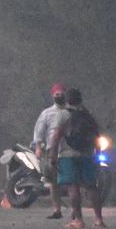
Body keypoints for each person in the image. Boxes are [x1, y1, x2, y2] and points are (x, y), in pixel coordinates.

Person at [48, 87, 106, 229]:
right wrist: (97, 155)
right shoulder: (88, 115)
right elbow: (97, 137)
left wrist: (52, 156)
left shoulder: (62, 115)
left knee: (73, 187)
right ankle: (99, 219)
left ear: (66, 100)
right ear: (80, 99)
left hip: (68, 156)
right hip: (87, 155)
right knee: (92, 187)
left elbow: (56, 137)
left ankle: (78, 220)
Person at [32, 83, 67, 219]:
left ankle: (76, 212)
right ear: (53, 96)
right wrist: (38, 147)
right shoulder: (47, 113)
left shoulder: (70, 111)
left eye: (61, 94)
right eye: (56, 94)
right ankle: (57, 210)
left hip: (67, 149)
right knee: (53, 182)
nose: (59, 96)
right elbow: (39, 131)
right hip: (52, 150)